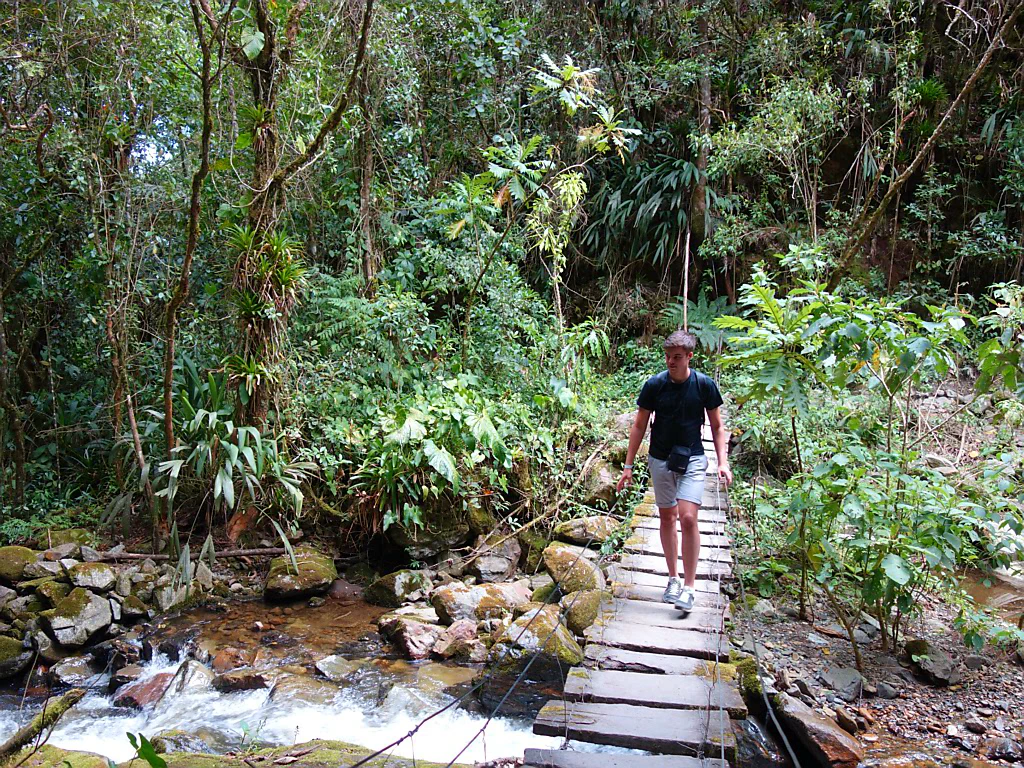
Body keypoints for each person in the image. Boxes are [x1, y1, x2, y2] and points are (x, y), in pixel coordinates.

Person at [616, 330, 733, 613]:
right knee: (667, 517)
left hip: (693, 457)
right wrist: (628, 466)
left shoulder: (704, 385)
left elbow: (717, 427)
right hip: (660, 458)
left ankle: (690, 588)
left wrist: (722, 461)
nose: (671, 362)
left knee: (688, 516)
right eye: (668, 356)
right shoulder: (654, 385)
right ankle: (673, 578)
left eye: (677, 357)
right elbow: (639, 426)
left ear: (689, 357)